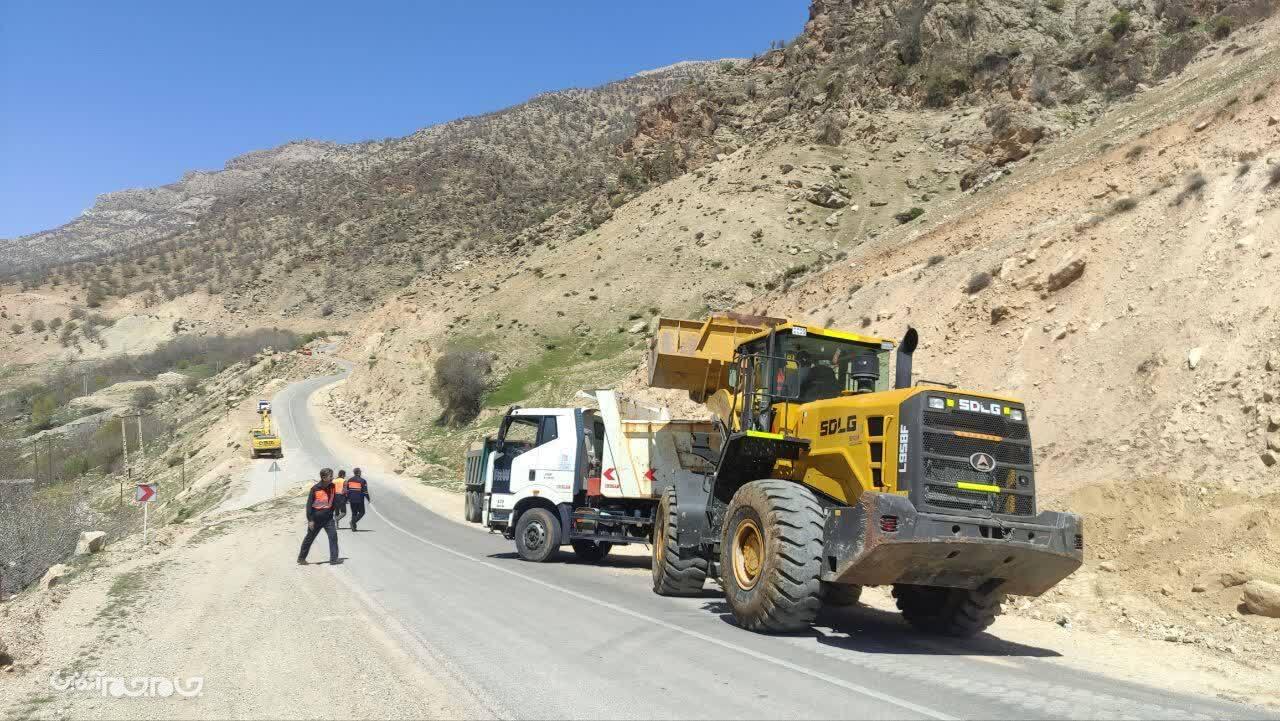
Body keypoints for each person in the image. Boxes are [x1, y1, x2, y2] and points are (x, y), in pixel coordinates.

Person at [298, 468, 339, 565]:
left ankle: (333, 559)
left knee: (333, 536)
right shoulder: (315, 489)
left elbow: (333, 500)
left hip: (328, 518)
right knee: (309, 538)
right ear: (324, 478)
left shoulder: (332, 486)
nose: (332, 478)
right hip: (316, 519)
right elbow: (309, 506)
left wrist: (334, 511)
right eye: (330, 476)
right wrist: (310, 520)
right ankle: (301, 558)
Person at [345, 467, 372, 531]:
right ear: (359, 473)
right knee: (362, 512)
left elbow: (347, 490)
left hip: (352, 499)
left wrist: (347, 498)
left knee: (354, 513)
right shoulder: (363, 481)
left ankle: (354, 527)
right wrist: (368, 498)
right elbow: (365, 491)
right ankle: (353, 522)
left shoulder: (350, 480)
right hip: (359, 499)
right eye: (360, 472)